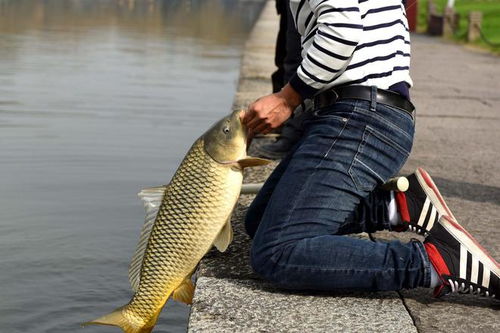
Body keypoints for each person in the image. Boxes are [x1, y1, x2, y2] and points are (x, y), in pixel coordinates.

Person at [241, 0, 499, 299]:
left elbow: (342, 30)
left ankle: (438, 263)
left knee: (277, 251)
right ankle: (395, 205)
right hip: (368, 113)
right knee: (260, 221)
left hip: (358, 119)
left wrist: (287, 98)